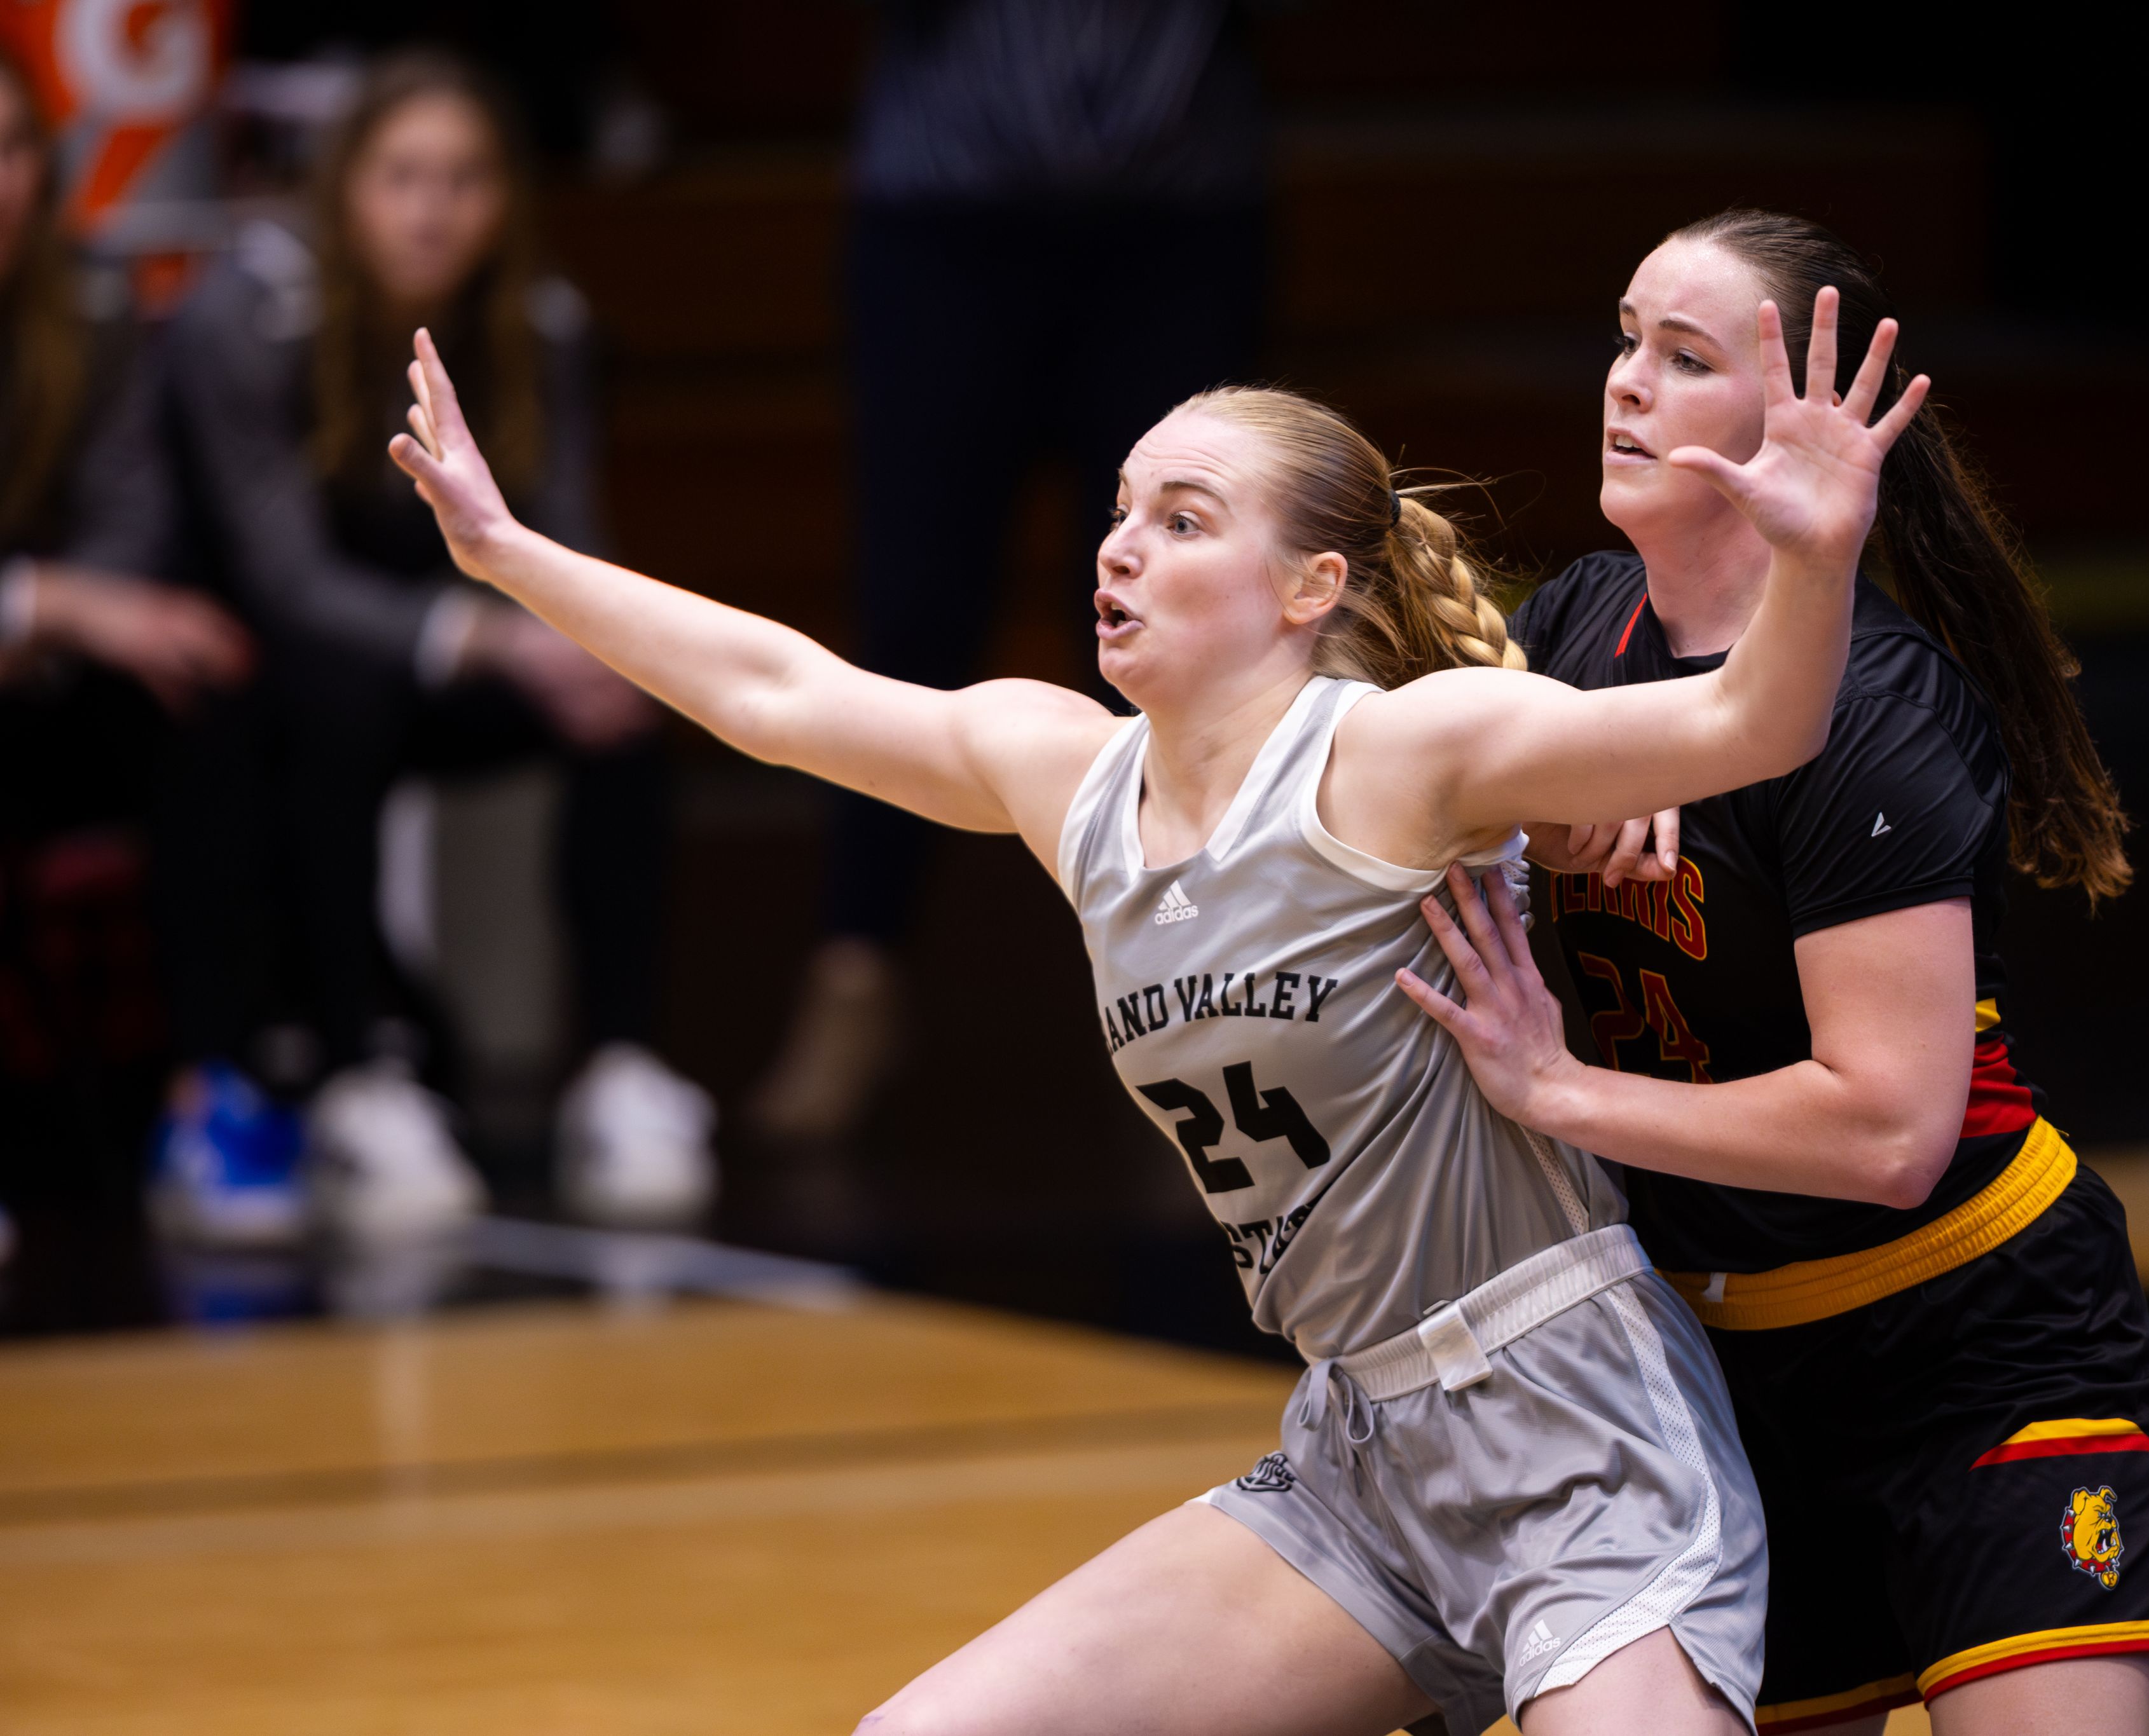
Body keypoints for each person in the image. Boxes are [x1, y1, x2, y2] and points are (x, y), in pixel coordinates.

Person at [386, 273, 1929, 1732]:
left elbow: (1756, 720)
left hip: (1582, 1440)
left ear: (1306, 587)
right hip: (1358, 1460)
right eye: (1120, 512)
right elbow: (778, 699)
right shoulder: (1068, 779)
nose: (1119, 547)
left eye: (1182, 521)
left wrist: (1812, 552)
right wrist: (508, 553)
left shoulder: (1396, 756)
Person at [1399, 209, 2149, 1735]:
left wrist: (1559, 1091)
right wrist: (1537, 822)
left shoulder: (1874, 711)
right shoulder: (1573, 632)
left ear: (1803, 432)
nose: (1623, 384)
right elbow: (1398, 828)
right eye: (1625, 337)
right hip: (1726, 1377)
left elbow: (1884, 1133)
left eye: (1682, 357)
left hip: (1975, 1345)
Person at [161, 52, 711, 1236]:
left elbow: (578, 541)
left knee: (623, 696)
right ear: (343, 186)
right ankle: (364, 1079)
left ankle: (620, 1068)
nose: (432, 208)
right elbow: (285, 582)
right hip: (300, 673)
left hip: (472, 650)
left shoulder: (539, 324)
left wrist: (581, 646)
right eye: (402, 175)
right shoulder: (247, 317)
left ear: (505, 197)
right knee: (328, 702)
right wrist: (490, 639)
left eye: (465, 179)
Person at [748, 0, 1270, 1141]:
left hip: (1175, 203)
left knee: (1184, 622)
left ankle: (1196, 1016)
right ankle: (856, 975)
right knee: (918, 607)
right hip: (947, 206)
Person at [0, 43, 255, 1289]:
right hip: (42, 642)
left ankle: (213, 1098)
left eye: (7, 150)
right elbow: (90, 584)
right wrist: (52, 599)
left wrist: (70, 610)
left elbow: (131, 530)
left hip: (49, 690)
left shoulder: (91, 303)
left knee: (204, 683)